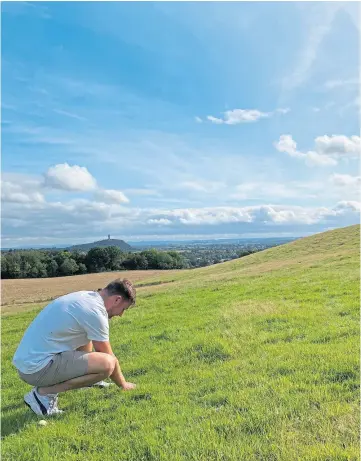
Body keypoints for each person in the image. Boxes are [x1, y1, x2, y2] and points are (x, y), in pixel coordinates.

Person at [12, 278, 137, 416]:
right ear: (117, 300)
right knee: (108, 364)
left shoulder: (85, 297)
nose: (120, 314)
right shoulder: (95, 311)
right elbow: (108, 356)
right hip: (36, 369)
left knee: (87, 336)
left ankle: (90, 381)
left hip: (29, 363)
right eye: (123, 309)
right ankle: (42, 395)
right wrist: (123, 384)